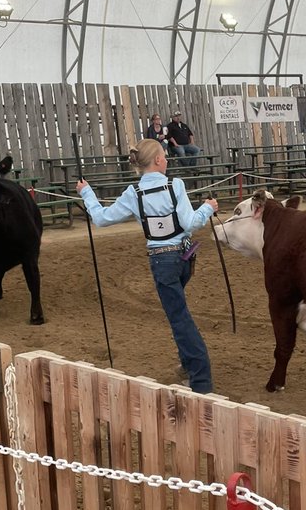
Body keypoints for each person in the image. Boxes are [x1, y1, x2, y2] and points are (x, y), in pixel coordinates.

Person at [76, 139, 217, 394]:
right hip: (183, 258)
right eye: (165, 155)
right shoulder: (176, 186)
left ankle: (201, 382)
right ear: (159, 160)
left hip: (161, 262)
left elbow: (100, 218)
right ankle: (188, 366)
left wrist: (87, 193)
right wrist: (207, 208)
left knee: (179, 319)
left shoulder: (134, 193)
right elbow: (191, 223)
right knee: (179, 314)